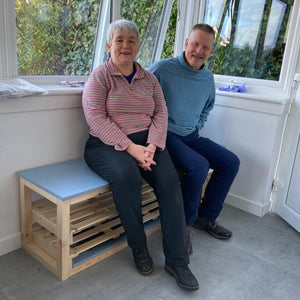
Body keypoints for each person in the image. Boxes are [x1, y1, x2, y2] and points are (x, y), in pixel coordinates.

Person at [82, 19, 199, 290]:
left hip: (148, 144)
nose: (125, 45)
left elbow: (161, 113)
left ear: (137, 47)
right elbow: (96, 119)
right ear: (109, 45)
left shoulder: (149, 78)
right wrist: (132, 149)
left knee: (171, 185)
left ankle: (178, 261)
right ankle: (139, 249)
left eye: (131, 40)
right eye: (119, 40)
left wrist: (153, 145)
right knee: (127, 178)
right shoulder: (99, 76)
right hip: (105, 144)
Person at [148, 24, 240, 254]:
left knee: (230, 162)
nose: (199, 51)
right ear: (186, 43)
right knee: (199, 165)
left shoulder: (208, 79)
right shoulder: (162, 69)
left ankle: (205, 217)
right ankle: (183, 225)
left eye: (206, 47)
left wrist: (197, 125)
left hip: (191, 135)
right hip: (166, 136)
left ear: (211, 52)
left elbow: (207, 108)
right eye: (195, 44)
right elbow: (140, 97)